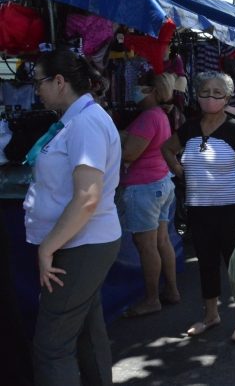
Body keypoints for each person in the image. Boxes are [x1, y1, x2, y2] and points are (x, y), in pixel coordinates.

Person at [24, 48, 121, 386]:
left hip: (81, 244)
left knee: (52, 347)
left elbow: (87, 197)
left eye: (40, 83)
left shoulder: (85, 123)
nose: (37, 90)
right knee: (86, 332)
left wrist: (47, 247)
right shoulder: (78, 120)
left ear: (60, 82)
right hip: (81, 241)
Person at [161, 72, 235, 342]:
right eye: (205, 91)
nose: (210, 97)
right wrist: (180, 171)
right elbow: (167, 149)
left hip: (232, 209)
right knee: (207, 264)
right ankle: (211, 315)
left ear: (226, 98)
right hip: (199, 210)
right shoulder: (189, 128)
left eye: (217, 93)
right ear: (196, 95)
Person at [118, 72, 180, 318]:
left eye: (141, 86)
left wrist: (119, 139)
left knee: (146, 246)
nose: (136, 90)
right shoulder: (160, 116)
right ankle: (171, 290)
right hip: (160, 183)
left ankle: (152, 298)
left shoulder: (148, 117)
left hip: (144, 187)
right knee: (161, 241)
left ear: (152, 90)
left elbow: (130, 154)